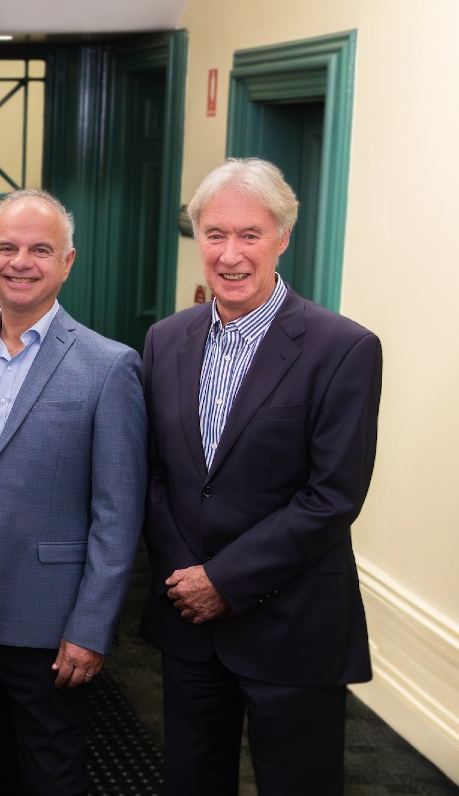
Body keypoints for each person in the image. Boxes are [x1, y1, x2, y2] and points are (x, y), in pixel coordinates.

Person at [140, 159, 382, 796]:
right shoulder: (166, 340)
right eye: (215, 235)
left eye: (249, 235)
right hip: (190, 623)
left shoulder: (342, 348)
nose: (230, 254)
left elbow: (333, 497)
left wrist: (223, 579)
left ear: (282, 237)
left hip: (293, 623)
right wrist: (187, 581)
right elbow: (157, 474)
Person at [0, 189, 146, 795]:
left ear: (67, 261)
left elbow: (117, 517)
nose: (21, 262)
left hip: (50, 621)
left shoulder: (109, 367)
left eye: (40, 249)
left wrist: (91, 627)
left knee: (50, 778)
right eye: (8, 247)